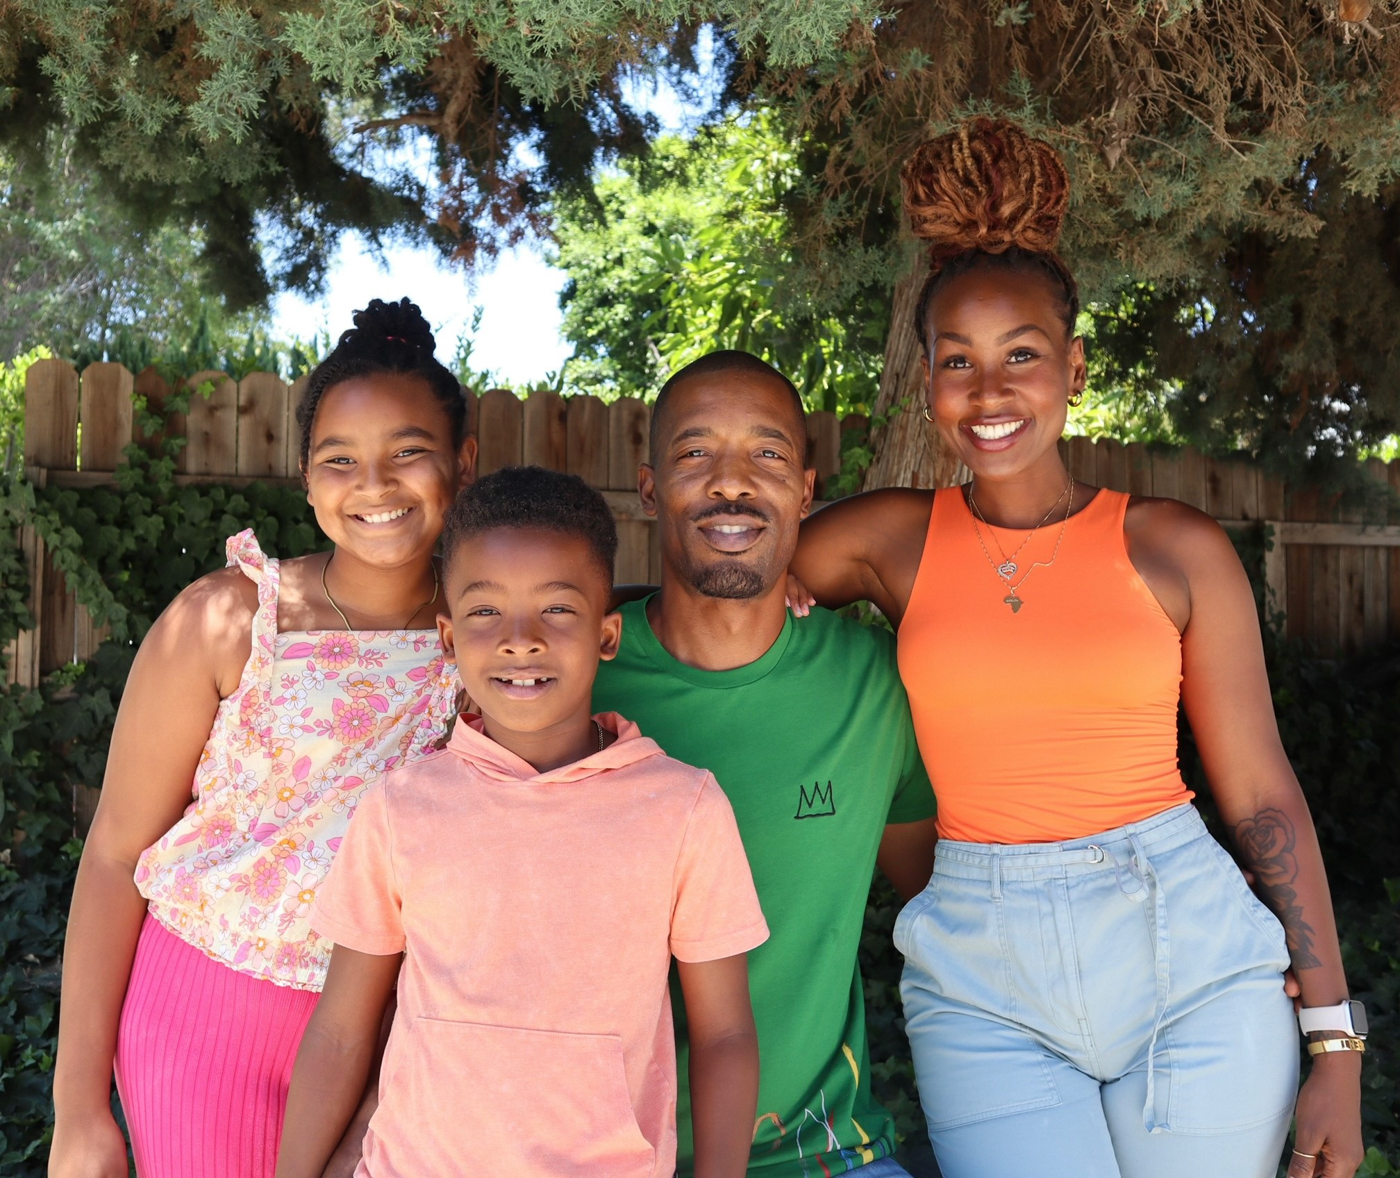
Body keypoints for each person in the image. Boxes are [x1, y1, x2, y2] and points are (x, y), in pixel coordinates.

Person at [786, 118, 1365, 1178]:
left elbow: (1260, 794)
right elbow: (722, 603)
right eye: (956, 361)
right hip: (981, 975)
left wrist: (1333, 1040)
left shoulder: (1174, 548)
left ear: (1075, 368)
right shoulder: (886, 543)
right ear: (925, 379)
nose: (988, 391)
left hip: (1188, 950)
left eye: (1021, 354)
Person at [49, 299, 477, 1178]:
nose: (374, 484)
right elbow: (115, 854)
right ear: (307, 480)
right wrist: (78, 1110)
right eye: (339, 460)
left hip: (396, 1046)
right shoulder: (230, 619)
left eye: (409, 452)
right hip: (206, 1019)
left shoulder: (495, 641)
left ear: (463, 464)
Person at [275, 466, 768, 1178]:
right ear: (448, 638)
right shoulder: (400, 807)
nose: (520, 640)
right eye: (485, 612)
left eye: (557, 609)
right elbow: (341, 1031)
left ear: (606, 635)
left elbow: (724, 1035)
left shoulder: (683, 809)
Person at [594, 351, 941, 1178]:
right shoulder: (570, 679)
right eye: (695, 453)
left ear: (806, 492)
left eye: (768, 454)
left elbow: (946, 902)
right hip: (592, 1155)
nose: (731, 481)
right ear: (649, 489)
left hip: (828, 1155)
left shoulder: (876, 688)